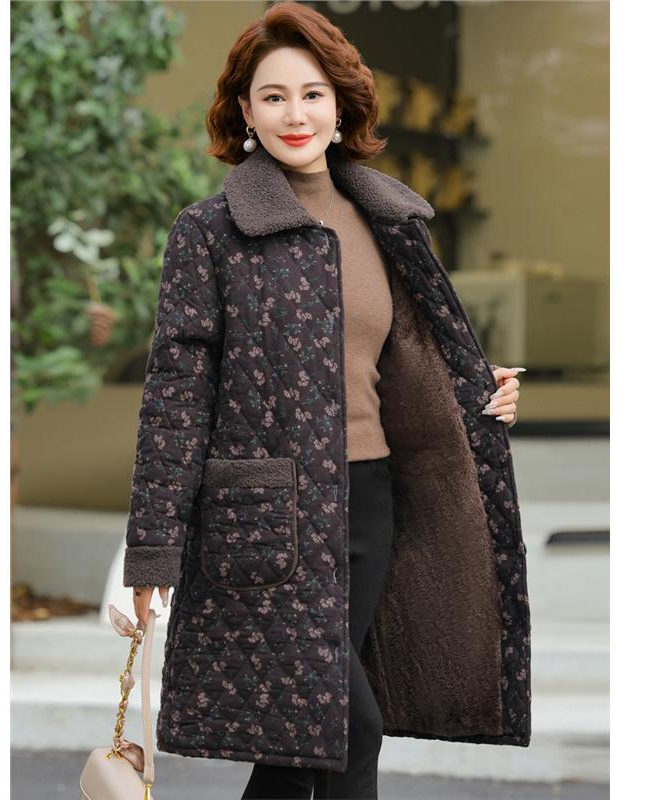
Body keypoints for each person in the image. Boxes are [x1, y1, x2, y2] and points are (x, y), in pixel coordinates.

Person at [126, 3, 528, 799]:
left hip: (371, 500)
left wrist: (481, 391)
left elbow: (399, 356)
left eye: (312, 94)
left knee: (297, 746)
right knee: (349, 726)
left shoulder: (389, 220)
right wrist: (152, 549)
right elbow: (175, 397)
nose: (295, 114)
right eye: (273, 97)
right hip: (265, 520)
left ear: (342, 104)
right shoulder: (210, 233)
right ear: (245, 113)